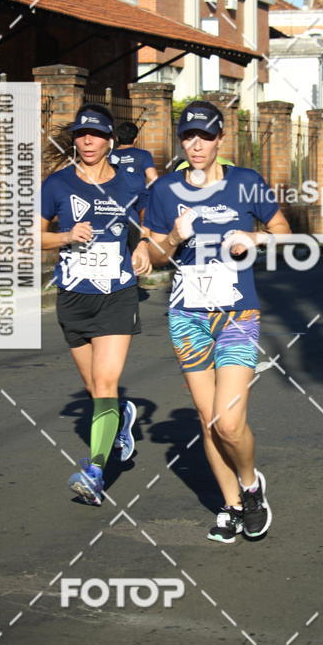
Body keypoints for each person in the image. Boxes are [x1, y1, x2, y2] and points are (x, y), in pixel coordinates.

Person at [145, 100, 291, 543]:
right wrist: (174, 236)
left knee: (229, 422)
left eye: (205, 136)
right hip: (187, 315)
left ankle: (250, 486)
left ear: (220, 139)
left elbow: (283, 230)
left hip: (237, 314)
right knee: (207, 418)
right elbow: (151, 256)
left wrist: (254, 237)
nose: (196, 145)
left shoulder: (246, 183)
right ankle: (229, 506)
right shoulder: (165, 190)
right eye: (188, 136)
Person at [41, 103, 152, 505]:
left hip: (117, 295)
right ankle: (121, 414)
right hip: (73, 297)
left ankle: (94, 471)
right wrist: (66, 236)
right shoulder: (57, 185)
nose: (87, 141)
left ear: (109, 141)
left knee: (105, 383)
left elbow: (147, 224)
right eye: (81, 134)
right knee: (94, 390)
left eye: (96, 135)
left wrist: (141, 246)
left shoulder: (129, 184)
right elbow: (35, 237)